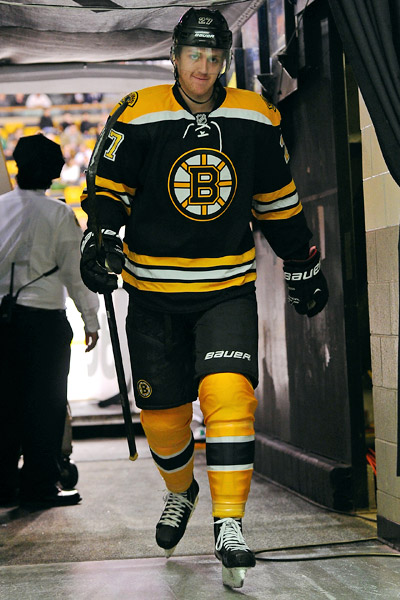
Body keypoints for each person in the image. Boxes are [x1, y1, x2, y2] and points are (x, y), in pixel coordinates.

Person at [79, 7, 328, 588]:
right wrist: (101, 237)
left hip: (226, 288)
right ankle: (180, 490)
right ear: (174, 57)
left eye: (214, 57)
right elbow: (109, 189)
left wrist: (301, 261)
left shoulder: (255, 115)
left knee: (229, 394)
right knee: (163, 419)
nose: (204, 67)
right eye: (194, 55)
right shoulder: (137, 111)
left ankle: (230, 523)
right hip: (152, 292)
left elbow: (277, 200)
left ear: (223, 61)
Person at [0, 133, 100, 509]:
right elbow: (75, 273)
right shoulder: (58, 214)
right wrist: (90, 319)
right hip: (43, 323)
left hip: (2, 323)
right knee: (45, 406)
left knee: (4, 404)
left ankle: (3, 485)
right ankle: (39, 487)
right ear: (53, 173)